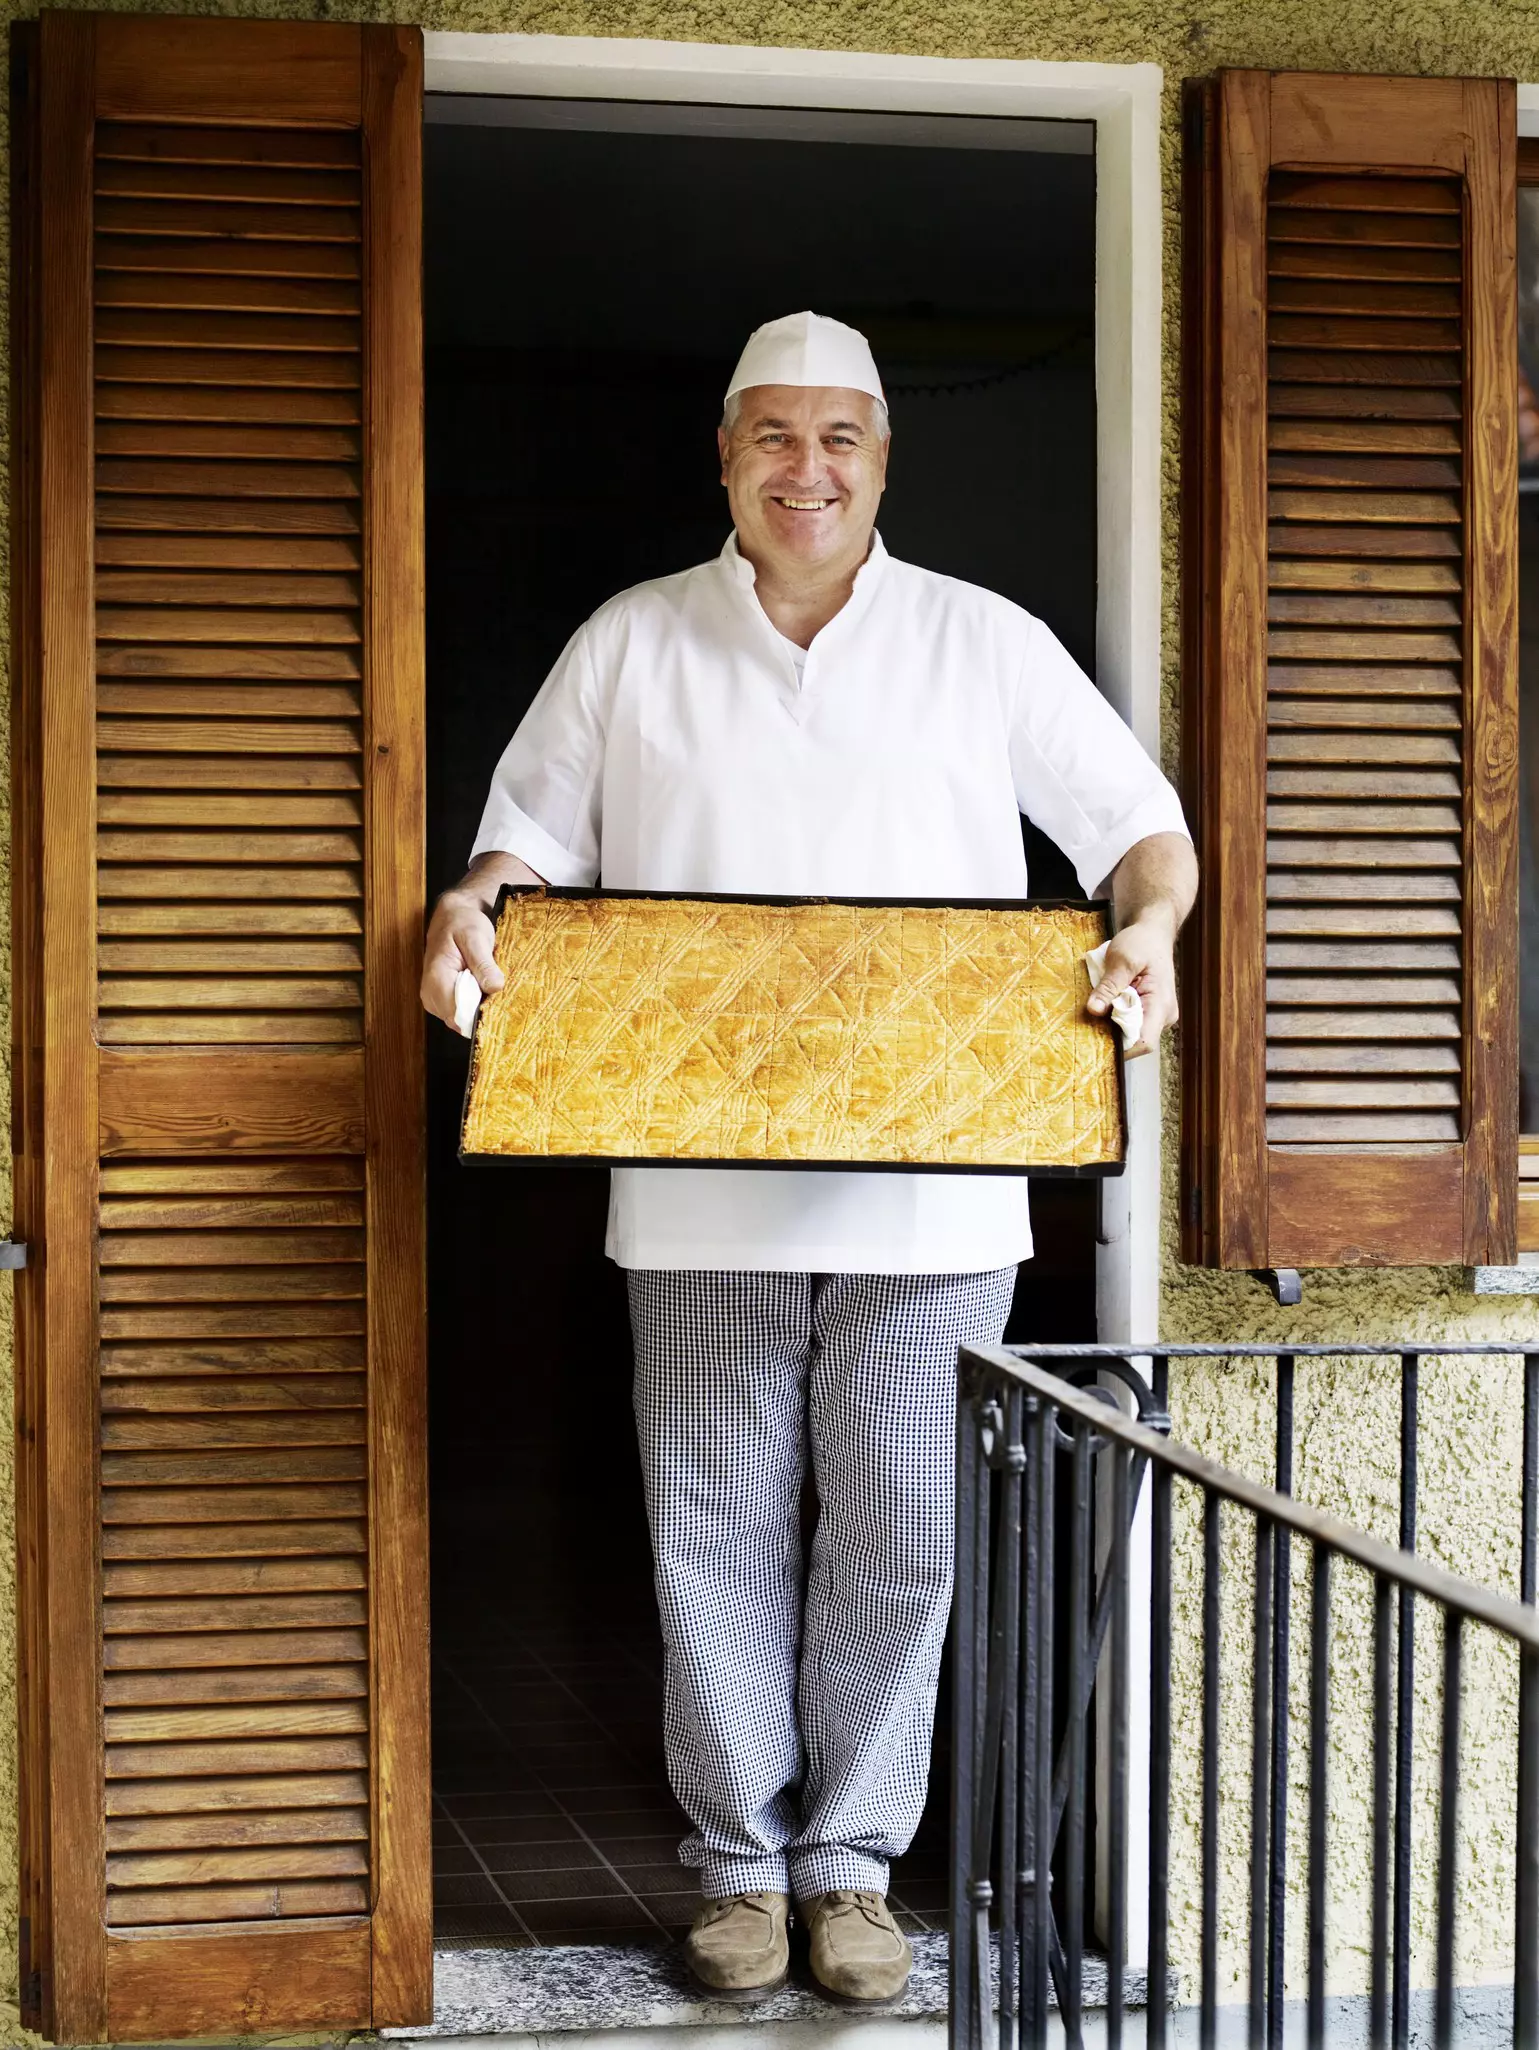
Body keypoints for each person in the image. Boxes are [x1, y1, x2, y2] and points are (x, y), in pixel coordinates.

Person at [422, 311, 1196, 2005]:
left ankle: (850, 1869)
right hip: (693, 1198)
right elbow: (515, 860)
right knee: (711, 1526)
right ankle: (737, 1873)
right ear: (722, 455)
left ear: (882, 460)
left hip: (942, 1198)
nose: (806, 467)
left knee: (900, 1532)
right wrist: (467, 917)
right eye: (772, 434)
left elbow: (1145, 834)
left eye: (839, 436)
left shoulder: (981, 643)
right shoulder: (629, 643)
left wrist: (1145, 932)